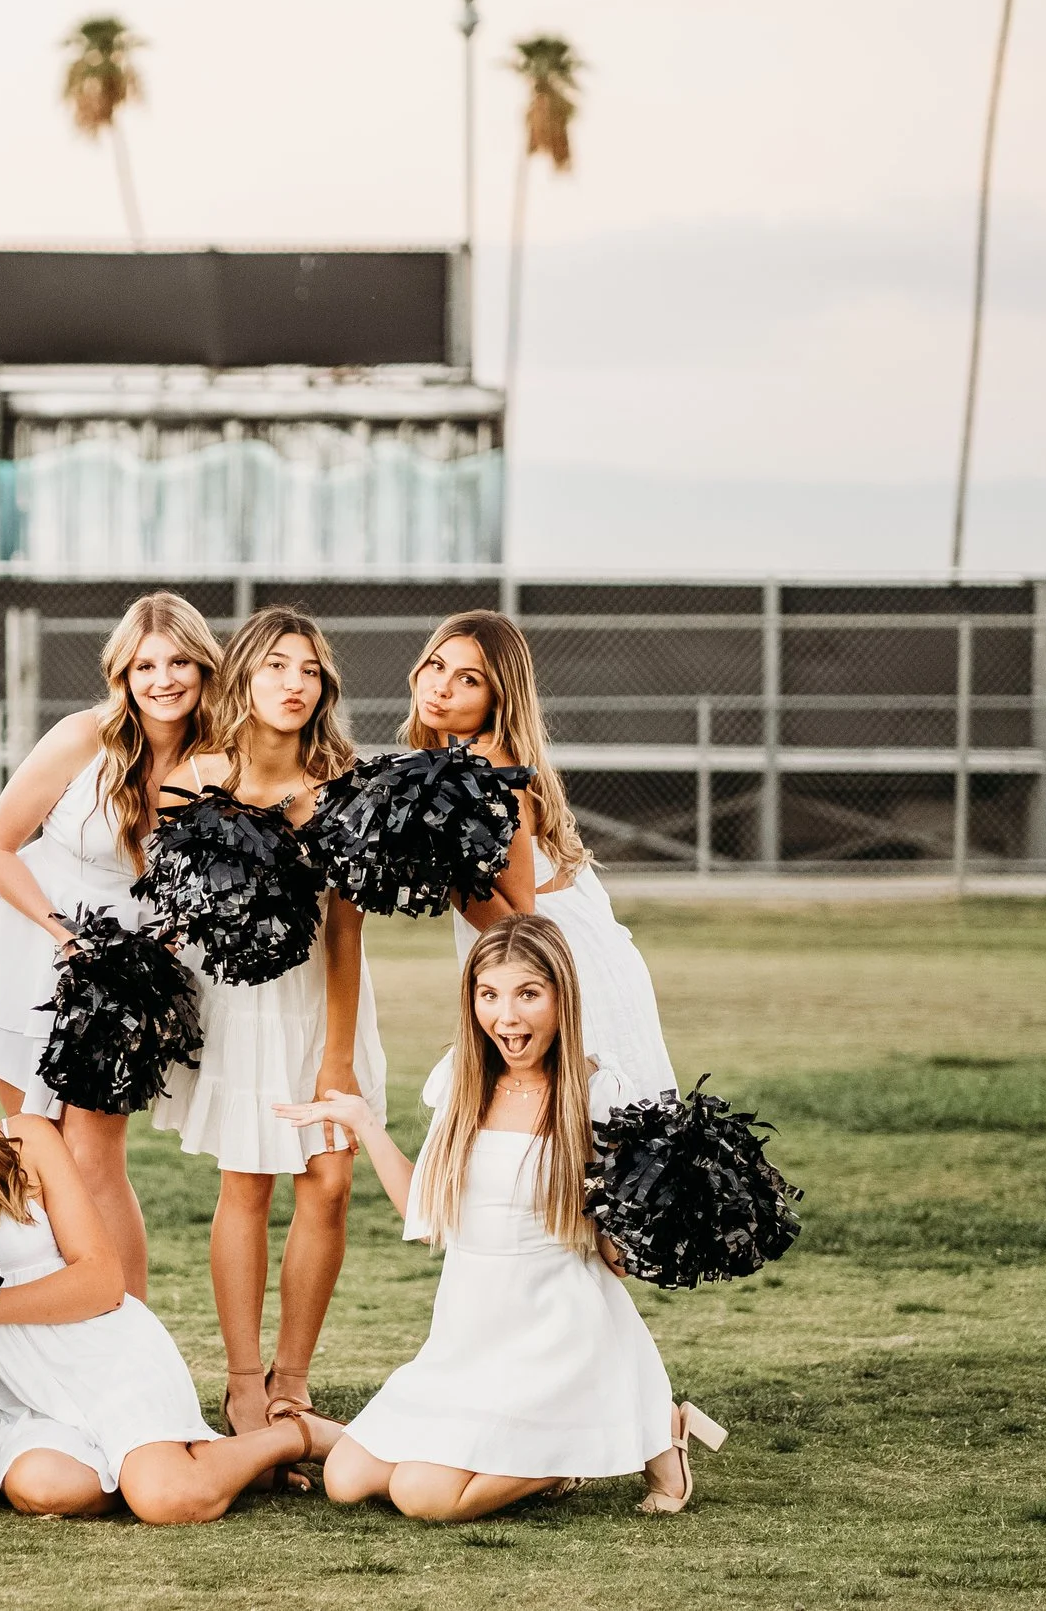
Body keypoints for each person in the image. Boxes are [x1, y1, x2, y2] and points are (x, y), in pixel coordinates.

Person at [277, 914, 724, 1523]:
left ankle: (621, 1434)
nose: (506, 1017)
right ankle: (561, 1447)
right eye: (489, 994)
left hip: (555, 1330)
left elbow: (617, 1249)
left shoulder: (596, 1093)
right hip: (470, 1329)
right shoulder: (461, 1080)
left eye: (528, 994)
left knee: (424, 1496)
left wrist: (646, 1214)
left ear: (562, 997)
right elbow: (425, 1215)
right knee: (347, 1479)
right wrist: (365, 1123)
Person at [0, 1012, 332, 1523]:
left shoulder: (25, 1139)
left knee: (167, 1499)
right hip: (3, 1389)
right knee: (46, 1488)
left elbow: (102, 1282)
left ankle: (294, 1436)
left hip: (95, 1351)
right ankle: (206, 1464)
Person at [0, 590, 220, 1301]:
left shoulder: (221, 757)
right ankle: (60, 1314)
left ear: (204, 667)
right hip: (33, 940)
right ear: (122, 673)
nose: (163, 680)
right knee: (34, 1145)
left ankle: (128, 1325)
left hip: (130, 965)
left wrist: (164, 944)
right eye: (145, 665)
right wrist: (63, 934)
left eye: (179, 662)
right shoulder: (81, 737)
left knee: (95, 1158)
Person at [150, 607, 387, 1436]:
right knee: (245, 1183)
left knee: (331, 1183)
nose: (294, 684)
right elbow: (172, 911)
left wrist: (339, 1056)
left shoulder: (346, 786)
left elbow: (347, 933)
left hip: (321, 1003)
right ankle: (244, 1382)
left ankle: (294, 1379)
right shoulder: (192, 780)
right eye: (277, 666)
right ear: (244, 676)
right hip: (238, 1010)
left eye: (310, 670)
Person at [406, 611, 677, 1102]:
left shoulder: (487, 770)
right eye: (437, 665)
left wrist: (434, 861)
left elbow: (518, 924)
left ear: (498, 697)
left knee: (583, 1129)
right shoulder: (459, 760)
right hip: (562, 952)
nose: (441, 687)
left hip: (559, 964)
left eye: (468, 679)